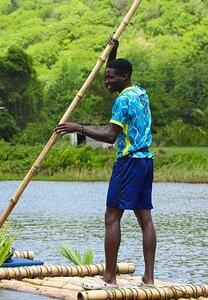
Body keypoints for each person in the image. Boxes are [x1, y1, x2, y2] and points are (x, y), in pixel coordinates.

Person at [55, 39, 156, 288]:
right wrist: (114, 51)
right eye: (106, 77)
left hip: (129, 162)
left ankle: (110, 277)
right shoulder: (139, 92)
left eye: (111, 78)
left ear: (124, 77)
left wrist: (76, 128)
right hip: (146, 161)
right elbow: (117, 68)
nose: (107, 81)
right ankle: (149, 278)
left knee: (112, 217)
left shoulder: (122, 101)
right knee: (146, 220)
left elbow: (110, 136)